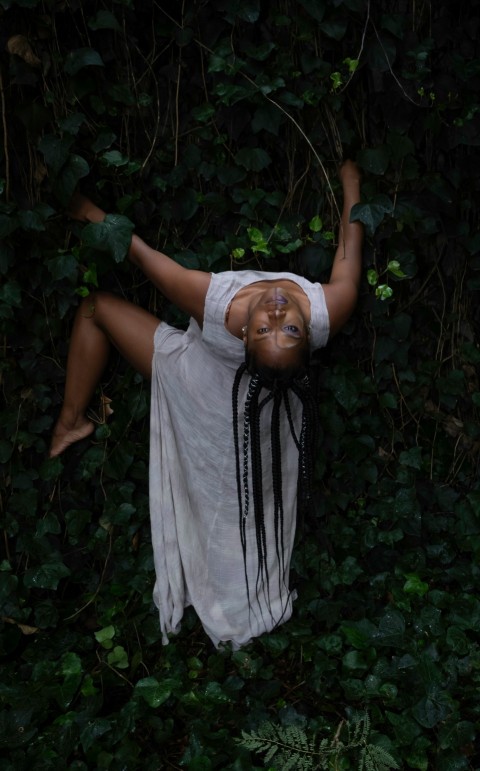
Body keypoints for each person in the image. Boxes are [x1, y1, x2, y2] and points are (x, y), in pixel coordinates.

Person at [50, 160, 363, 648]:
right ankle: (71, 424)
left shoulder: (220, 304)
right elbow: (348, 253)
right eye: (283, 327)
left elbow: (147, 257)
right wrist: (352, 186)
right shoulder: (327, 308)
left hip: (212, 385)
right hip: (217, 380)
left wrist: (87, 210)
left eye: (273, 328)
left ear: (245, 333)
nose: (279, 312)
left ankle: (68, 423)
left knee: (96, 308)